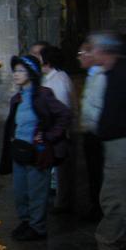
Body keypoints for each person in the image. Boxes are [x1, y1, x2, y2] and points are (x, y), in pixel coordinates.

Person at [0, 55, 72, 241]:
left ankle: (37, 227)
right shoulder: (17, 98)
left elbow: (64, 115)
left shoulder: (43, 94)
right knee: (20, 192)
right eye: (15, 70)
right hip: (20, 151)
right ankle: (26, 221)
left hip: (38, 152)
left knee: (36, 192)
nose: (16, 74)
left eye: (21, 71)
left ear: (31, 73)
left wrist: (50, 136)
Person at [91, 31, 126, 250]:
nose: (90, 53)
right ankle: (109, 242)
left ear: (104, 50)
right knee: (112, 197)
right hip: (114, 143)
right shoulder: (111, 73)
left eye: (93, 48)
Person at [39, 45, 76, 213]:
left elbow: (62, 109)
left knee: (62, 171)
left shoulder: (59, 79)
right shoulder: (51, 78)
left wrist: (53, 132)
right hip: (52, 133)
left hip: (58, 133)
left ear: (46, 61)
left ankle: (62, 203)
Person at [77, 40, 105, 221]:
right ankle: (96, 205)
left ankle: (101, 208)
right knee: (93, 173)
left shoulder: (102, 76)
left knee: (99, 173)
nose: (78, 58)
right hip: (91, 132)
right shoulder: (92, 74)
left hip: (99, 134)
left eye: (81, 54)